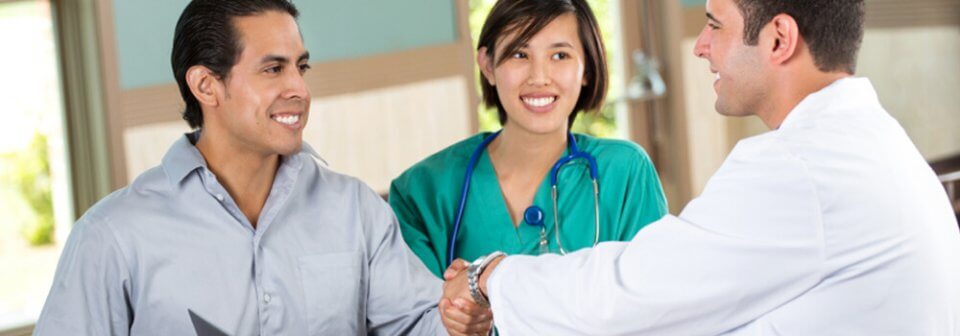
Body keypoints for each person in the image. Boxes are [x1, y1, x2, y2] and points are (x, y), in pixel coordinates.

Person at [442, 0, 960, 334]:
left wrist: (494, 275)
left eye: (715, 25)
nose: (702, 46)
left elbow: (629, 297)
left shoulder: (798, 169)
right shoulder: (868, 140)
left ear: (778, 39)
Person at [34, 1, 482, 334]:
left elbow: (418, 326)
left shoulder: (354, 209)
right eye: (273, 70)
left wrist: (462, 316)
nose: (299, 89)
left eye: (300, 67)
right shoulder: (112, 236)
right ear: (206, 85)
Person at [389, 0, 667, 280]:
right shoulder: (422, 191)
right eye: (519, 54)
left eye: (560, 55)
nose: (539, 77)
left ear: (588, 68)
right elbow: (415, 317)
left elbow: (654, 297)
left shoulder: (625, 172)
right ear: (487, 66)